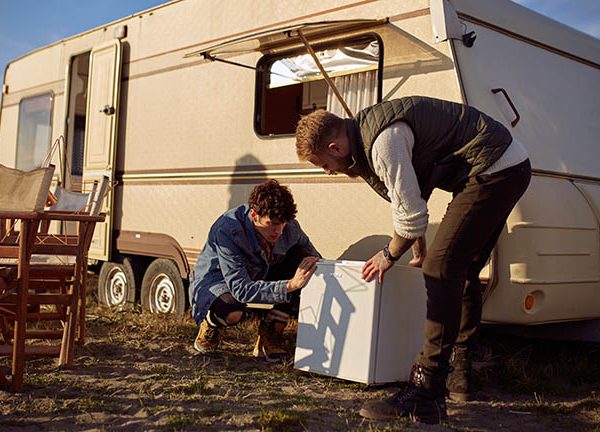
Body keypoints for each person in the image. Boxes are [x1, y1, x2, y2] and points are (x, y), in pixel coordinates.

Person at [295, 96, 531, 424]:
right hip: (507, 164)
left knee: (440, 268)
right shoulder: (368, 134)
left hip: (493, 168)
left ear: (335, 147)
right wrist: (416, 246)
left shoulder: (382, 143)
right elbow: (411, 195)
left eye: (322, 163)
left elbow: (410, 213)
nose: (327, 171)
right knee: (459, 270)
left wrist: (389, 253)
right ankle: (460, 375)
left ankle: (426, 391)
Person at [189, 179, 320, 362]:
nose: (279, 231)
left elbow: (315, 258)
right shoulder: (228, 229)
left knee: (305, 262)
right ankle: (210, 324)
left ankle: (270, 332)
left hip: (259, 274)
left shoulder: (289, 226)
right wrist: (289, 285)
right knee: (233, 312)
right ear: (254, 215)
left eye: (283, 223)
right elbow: (241, 289)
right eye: (272, 224)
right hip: (219, 281)